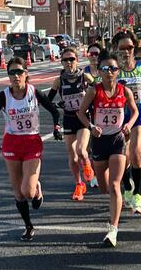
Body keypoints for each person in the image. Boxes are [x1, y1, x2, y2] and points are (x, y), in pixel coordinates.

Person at [0, 57, 62, 241]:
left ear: (26, 74)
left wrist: (57, 127)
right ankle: (28, 226)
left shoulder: (34, 92)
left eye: (19, 72)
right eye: (12, 73)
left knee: (28, 192)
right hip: (12, 142)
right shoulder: (3, 96)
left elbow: (54, 111)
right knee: (18, 192)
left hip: (32, 141)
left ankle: (37, 188)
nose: (16, 76)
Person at [78, 50, 138, 247]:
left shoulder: (124, 91)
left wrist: (129, 124)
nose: (109, 72)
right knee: (104, 188)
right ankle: (125, 171)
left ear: (118, 71)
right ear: (100, 72)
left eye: (113, 68)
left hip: (117, 140)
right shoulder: (94, 91)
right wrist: (91, 127)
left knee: (114, 185)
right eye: (105, 68)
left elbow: (136, 111)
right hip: (99, 141)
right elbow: (81, 113)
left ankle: (113, 230)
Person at [112, 31, 141, 214]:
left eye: (130, 47)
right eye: (122, 48)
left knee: (136, 152)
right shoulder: (114, 71)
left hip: (138, 116)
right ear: (116, 49)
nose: (126, 51)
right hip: (120, 119)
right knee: (124, 158)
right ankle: (128, 187)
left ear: (134, 48)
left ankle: (137, 195)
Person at [48, 47, 95, 201]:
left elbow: (100, 92)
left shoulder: (85, 77)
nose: (69, 62)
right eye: (65, 60)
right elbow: (48, 101)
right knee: (73, 157)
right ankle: (79, 184)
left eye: (72, 59)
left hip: (83, 118)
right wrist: (57, 105)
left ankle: (87, 163)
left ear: (77, 60)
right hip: (68, 119)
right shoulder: (58, 80)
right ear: (61, 62)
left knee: (81, 150)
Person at [84, 43, 104, 188]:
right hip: (89, 112)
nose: (94, 57)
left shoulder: (107, 70)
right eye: (91, 54)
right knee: (90, 146)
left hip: (106, 112)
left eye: (96, 53)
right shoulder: (83, 72)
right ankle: (94, 174)